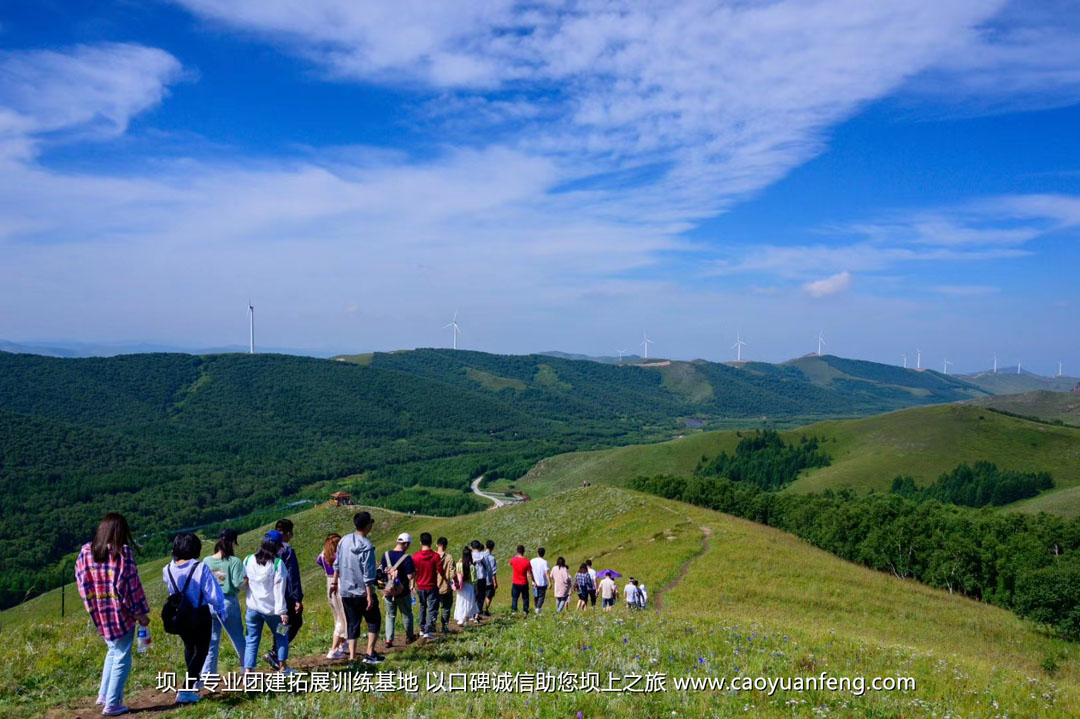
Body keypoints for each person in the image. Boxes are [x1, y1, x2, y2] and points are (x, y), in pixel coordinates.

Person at [75, 513, 151, 717]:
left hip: (99, 611)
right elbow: (130, 588)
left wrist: (92, 604)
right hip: (121, 614)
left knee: (112, 650)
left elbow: (82, 582)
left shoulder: (86, 552)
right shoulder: (122, 553)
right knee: (122, 656)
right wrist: (140, 613)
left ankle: (103, 694)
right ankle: (112, 703)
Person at [162, 532, 225, 704]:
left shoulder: (167, 569)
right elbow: (212, 592)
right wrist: (220, 608)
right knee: (202, 650)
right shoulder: (200, 567)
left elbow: (171, 590)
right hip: (200, 612)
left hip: (180, 614)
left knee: (189, 646)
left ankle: (193, 683)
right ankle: (187, 689)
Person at [332, 511, 383, 664]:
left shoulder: (344, 541)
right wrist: (369, 594)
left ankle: (353, 657)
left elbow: (337, 563)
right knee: (374, 620)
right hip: (362, 591)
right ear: (368, 525)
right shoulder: (367, 546)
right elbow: (368, 573)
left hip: (346, 590)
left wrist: (334, 583)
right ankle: (369, 652)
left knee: (352, 623)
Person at [201, 529, 247, 680]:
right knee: (237, 637)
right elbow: (238, 583)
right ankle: (246, 670)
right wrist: (248, 580)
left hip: (210, 604)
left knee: (212, 640)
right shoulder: (234, 561)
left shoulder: (207, 561)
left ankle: (208, 674)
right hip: (227, 602)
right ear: (233, 542)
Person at [243, 533, 290, 673]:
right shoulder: (277, 564)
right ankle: (283, 667)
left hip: (252, 608)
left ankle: (248, 672)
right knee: (282, 635)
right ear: (277, 546)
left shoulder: (248, 559)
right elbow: (279, 590)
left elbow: (245, 582)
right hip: (272, 610)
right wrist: (283, 612)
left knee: (251, 640)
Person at [267, 519, 303, 669]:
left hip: (269, 594)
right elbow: (293, 576)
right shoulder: (287, 551)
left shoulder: (266, 549)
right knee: (293, 623)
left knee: (282, 624)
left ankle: (275, 651)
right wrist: (298, 598)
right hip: (286, 595)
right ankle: (276, 652)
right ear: (287, 533)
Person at [380, 533, 416, 646]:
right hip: (403, 591)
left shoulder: (385, 555)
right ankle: (410, 636)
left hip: (388, 591)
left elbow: (381, 574)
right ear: (405, 544)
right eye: (408, 545)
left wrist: (383, 590)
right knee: (407, 614)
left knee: (390, 615)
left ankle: (389, 639)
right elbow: (410, 576)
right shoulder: (407, 558)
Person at [317, 533, 348, 659]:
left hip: (329, 583)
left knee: (337, 614)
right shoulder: (339, 556)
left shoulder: (323, 556)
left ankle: (342, 644)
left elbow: (318, 562)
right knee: (343, 615)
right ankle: (334, 649)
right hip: (340, 583)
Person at [412, 532, 442, 640]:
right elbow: (440, 570)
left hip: (420, 586)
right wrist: (445, 579)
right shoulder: (435, 556)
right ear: (431, 542)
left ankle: (422, 628)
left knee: (422, 606)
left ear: (420, 542)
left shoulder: (415, 556)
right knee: (432, 608)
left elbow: (413, 572)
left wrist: (413, 584)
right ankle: (428, 629)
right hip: (432, 585)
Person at [435, 537, 457, 633]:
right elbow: (453, 573)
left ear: (436, 545)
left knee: (434, 607)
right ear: (446, 546)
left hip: (434, 586)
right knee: (446, 607)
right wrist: (455, 582)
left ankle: (432, 625)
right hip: (446, 586)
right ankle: (444, 626)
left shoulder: (433, 556)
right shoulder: (449, 558)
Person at [453, 546, 479, 626]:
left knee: (460, 602)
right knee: (468, 604)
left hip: (461, 586)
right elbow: (474, 579)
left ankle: (461, 619)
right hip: (469, 586)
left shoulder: (458, 564)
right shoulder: (472, 567)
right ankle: (466, 620)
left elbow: (456, 573)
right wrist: (476, 588)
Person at [508, 545, 534, 613]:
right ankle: (525, 610)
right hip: (524, 582)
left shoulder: (513, 560)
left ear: (517, 551)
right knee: (525, 598)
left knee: (515, 598)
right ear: (523, 552)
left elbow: (510, 563)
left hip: (515, 582)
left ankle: (514, 610)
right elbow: (530, 572)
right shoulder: (527, 562)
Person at [470, 541, 487, 621]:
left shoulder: (470, 555)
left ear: (471, 547)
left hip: (472, 579)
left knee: (473, 596)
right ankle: (477, 615)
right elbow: (486, 566)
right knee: (481, 597)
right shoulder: (482, 555)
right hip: (482, 578)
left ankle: (472, 614)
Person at [530, 548, 551, 614]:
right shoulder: (545, 562)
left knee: (536, 596)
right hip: (542, 583)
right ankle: (538, 608)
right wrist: (550, 582)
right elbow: (547, 573)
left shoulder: (532, 561)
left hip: (534, 583)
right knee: (541, 597)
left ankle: (537, 608)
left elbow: (530, 571)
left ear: (537, 553)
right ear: (544, 554)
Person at [481, 539, 498, 615]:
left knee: (481, 595)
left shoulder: (481, 555)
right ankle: (486, 610)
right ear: (493, 548)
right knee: (489, 595)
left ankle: (479, 610)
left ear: (485, 546)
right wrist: (495, 582)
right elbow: (493, 571)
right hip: (489, 580)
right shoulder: (492, 558)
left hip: (481, 578)